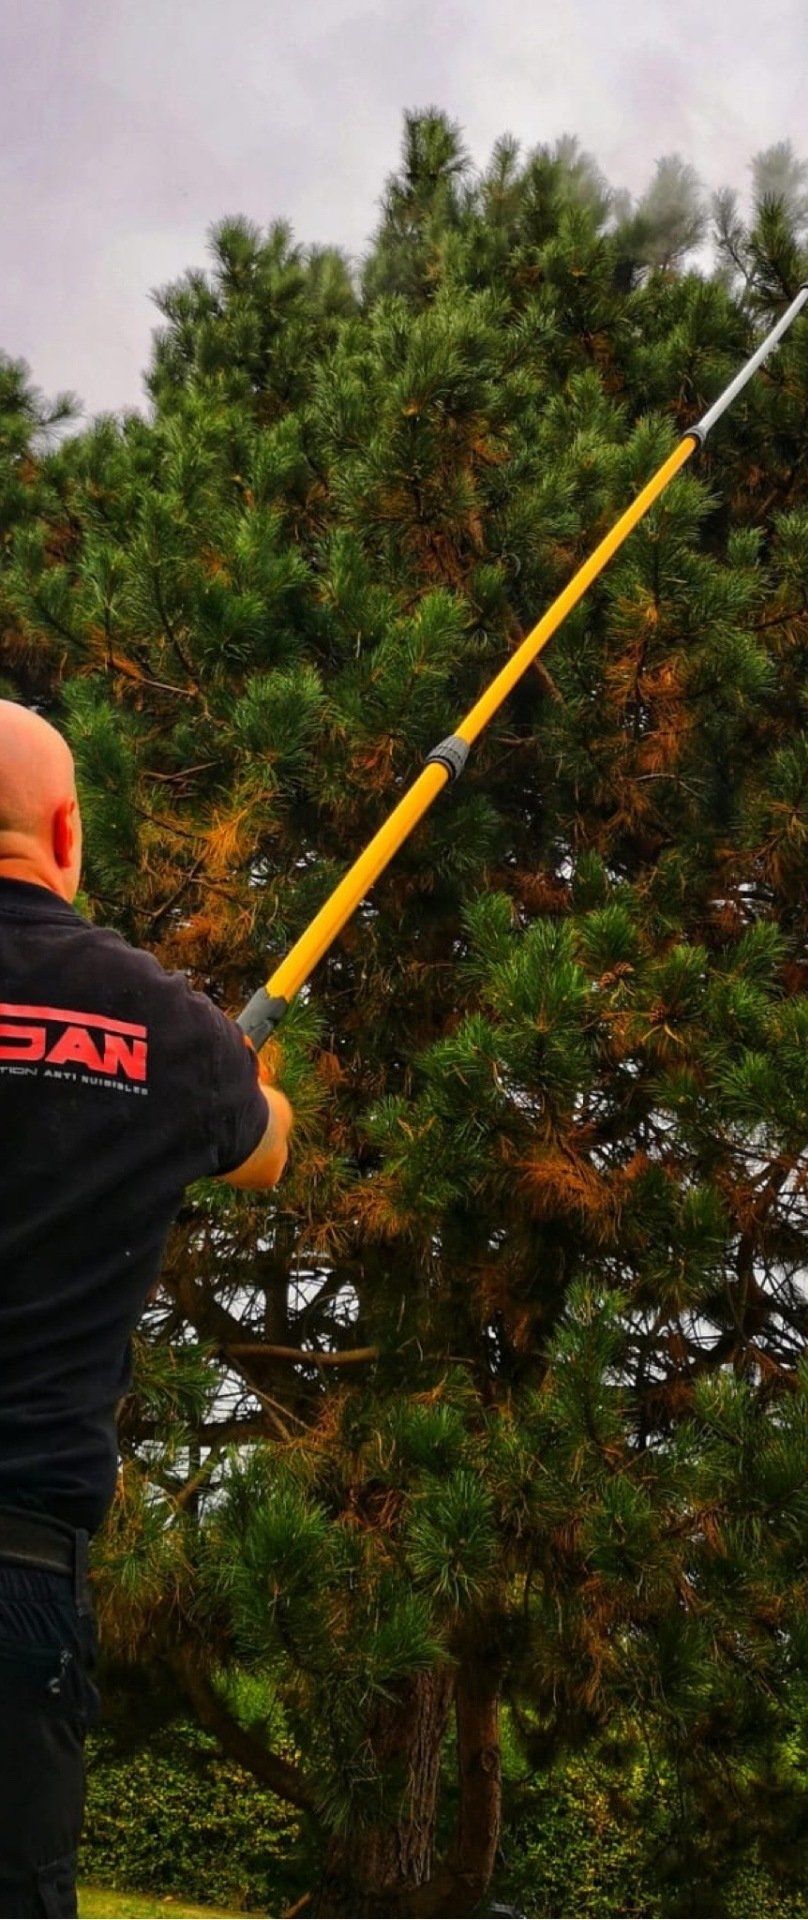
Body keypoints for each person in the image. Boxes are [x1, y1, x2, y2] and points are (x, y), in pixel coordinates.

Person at [0, 699, 292, 1915]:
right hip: (16, 1572)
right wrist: (240, 1062)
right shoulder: (162, 1025)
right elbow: (266, 1149)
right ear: (66, 832)